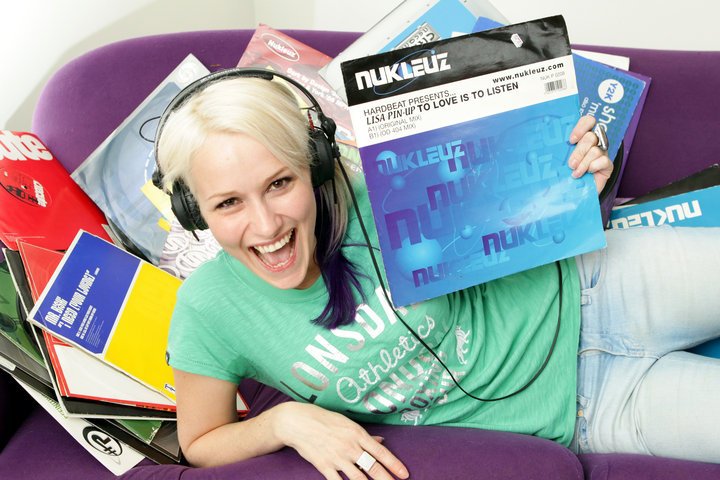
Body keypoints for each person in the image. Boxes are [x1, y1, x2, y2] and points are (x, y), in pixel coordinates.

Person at [155, 72, 720, 480]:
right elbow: (201, 441)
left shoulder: (383, 185)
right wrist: (284, 423)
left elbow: (519, 201)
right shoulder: (210, 311)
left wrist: (573, 173)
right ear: (193, 211)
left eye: (280, 183)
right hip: (592, 410)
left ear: (314, 164)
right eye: (228, 203)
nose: (265, 225)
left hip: (601, 286)